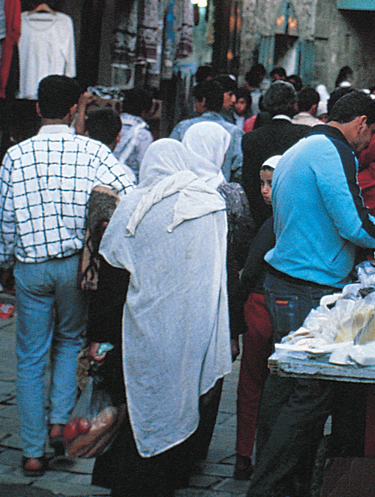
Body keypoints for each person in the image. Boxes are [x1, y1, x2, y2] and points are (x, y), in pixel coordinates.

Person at [247, 91, 375, 497]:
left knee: (285, 386)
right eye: (370, 136)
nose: (368, 145)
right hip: (306, 285)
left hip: (287, 279)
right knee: (311, 392)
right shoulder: (333, 152)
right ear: (362, 124)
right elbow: (353, 222)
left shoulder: (301, 146)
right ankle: (270, 485)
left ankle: (277, 482)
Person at [0, 75, 133, 477]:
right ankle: (58, 422)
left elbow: (3, 220)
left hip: (31, 267)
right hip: (75, 266)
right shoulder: (91, 151)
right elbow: (128, 189)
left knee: (31, 357)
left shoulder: (16, 156)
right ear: (75, 109)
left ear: (38, 108)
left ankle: (33, 450)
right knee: (70, 344)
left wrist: (5, 261)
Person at [86, 139, 233, 497]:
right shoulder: (209, 204)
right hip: (188, 329)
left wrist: (99, 338)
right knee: (177, 402)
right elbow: (218, 274)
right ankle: (166, 478)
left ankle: (125, 482)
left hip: (136, 328)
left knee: (136, 403)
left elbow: (113, 277)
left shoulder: (135, 205)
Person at [181, 122, 256, 463]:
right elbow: (240, 251)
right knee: (210, 371)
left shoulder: (174, 188)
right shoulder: (230, 195)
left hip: (181, 293)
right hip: (218, 294)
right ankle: (197, 449)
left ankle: (175, 442)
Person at [233, 155, 282, 481]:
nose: (265, 191)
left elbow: (249, 272)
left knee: (251, 384)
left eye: (270, 183)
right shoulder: (294, 218)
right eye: (261, 184)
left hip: (258, 305)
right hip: (281, 306)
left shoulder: (271, 224)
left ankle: (243, 455)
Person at [241, 82, 311, 229]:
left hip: (260, 215)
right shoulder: (305, 134)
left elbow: (249, 182)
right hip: (295, 216)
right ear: (294, 105)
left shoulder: (251, 138)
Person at [170, 79, 242, 181]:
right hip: (219, 193)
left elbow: (170, 158)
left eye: (195, 102)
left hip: (186, 191)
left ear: (202, 101)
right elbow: (239, 167)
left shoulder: (183, 127)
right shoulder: (234, 132)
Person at [114, 87, 154, 183]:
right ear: (144, 111)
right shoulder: (144, 135)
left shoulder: (111, 123)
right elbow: (144, 167)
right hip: (128, 184)